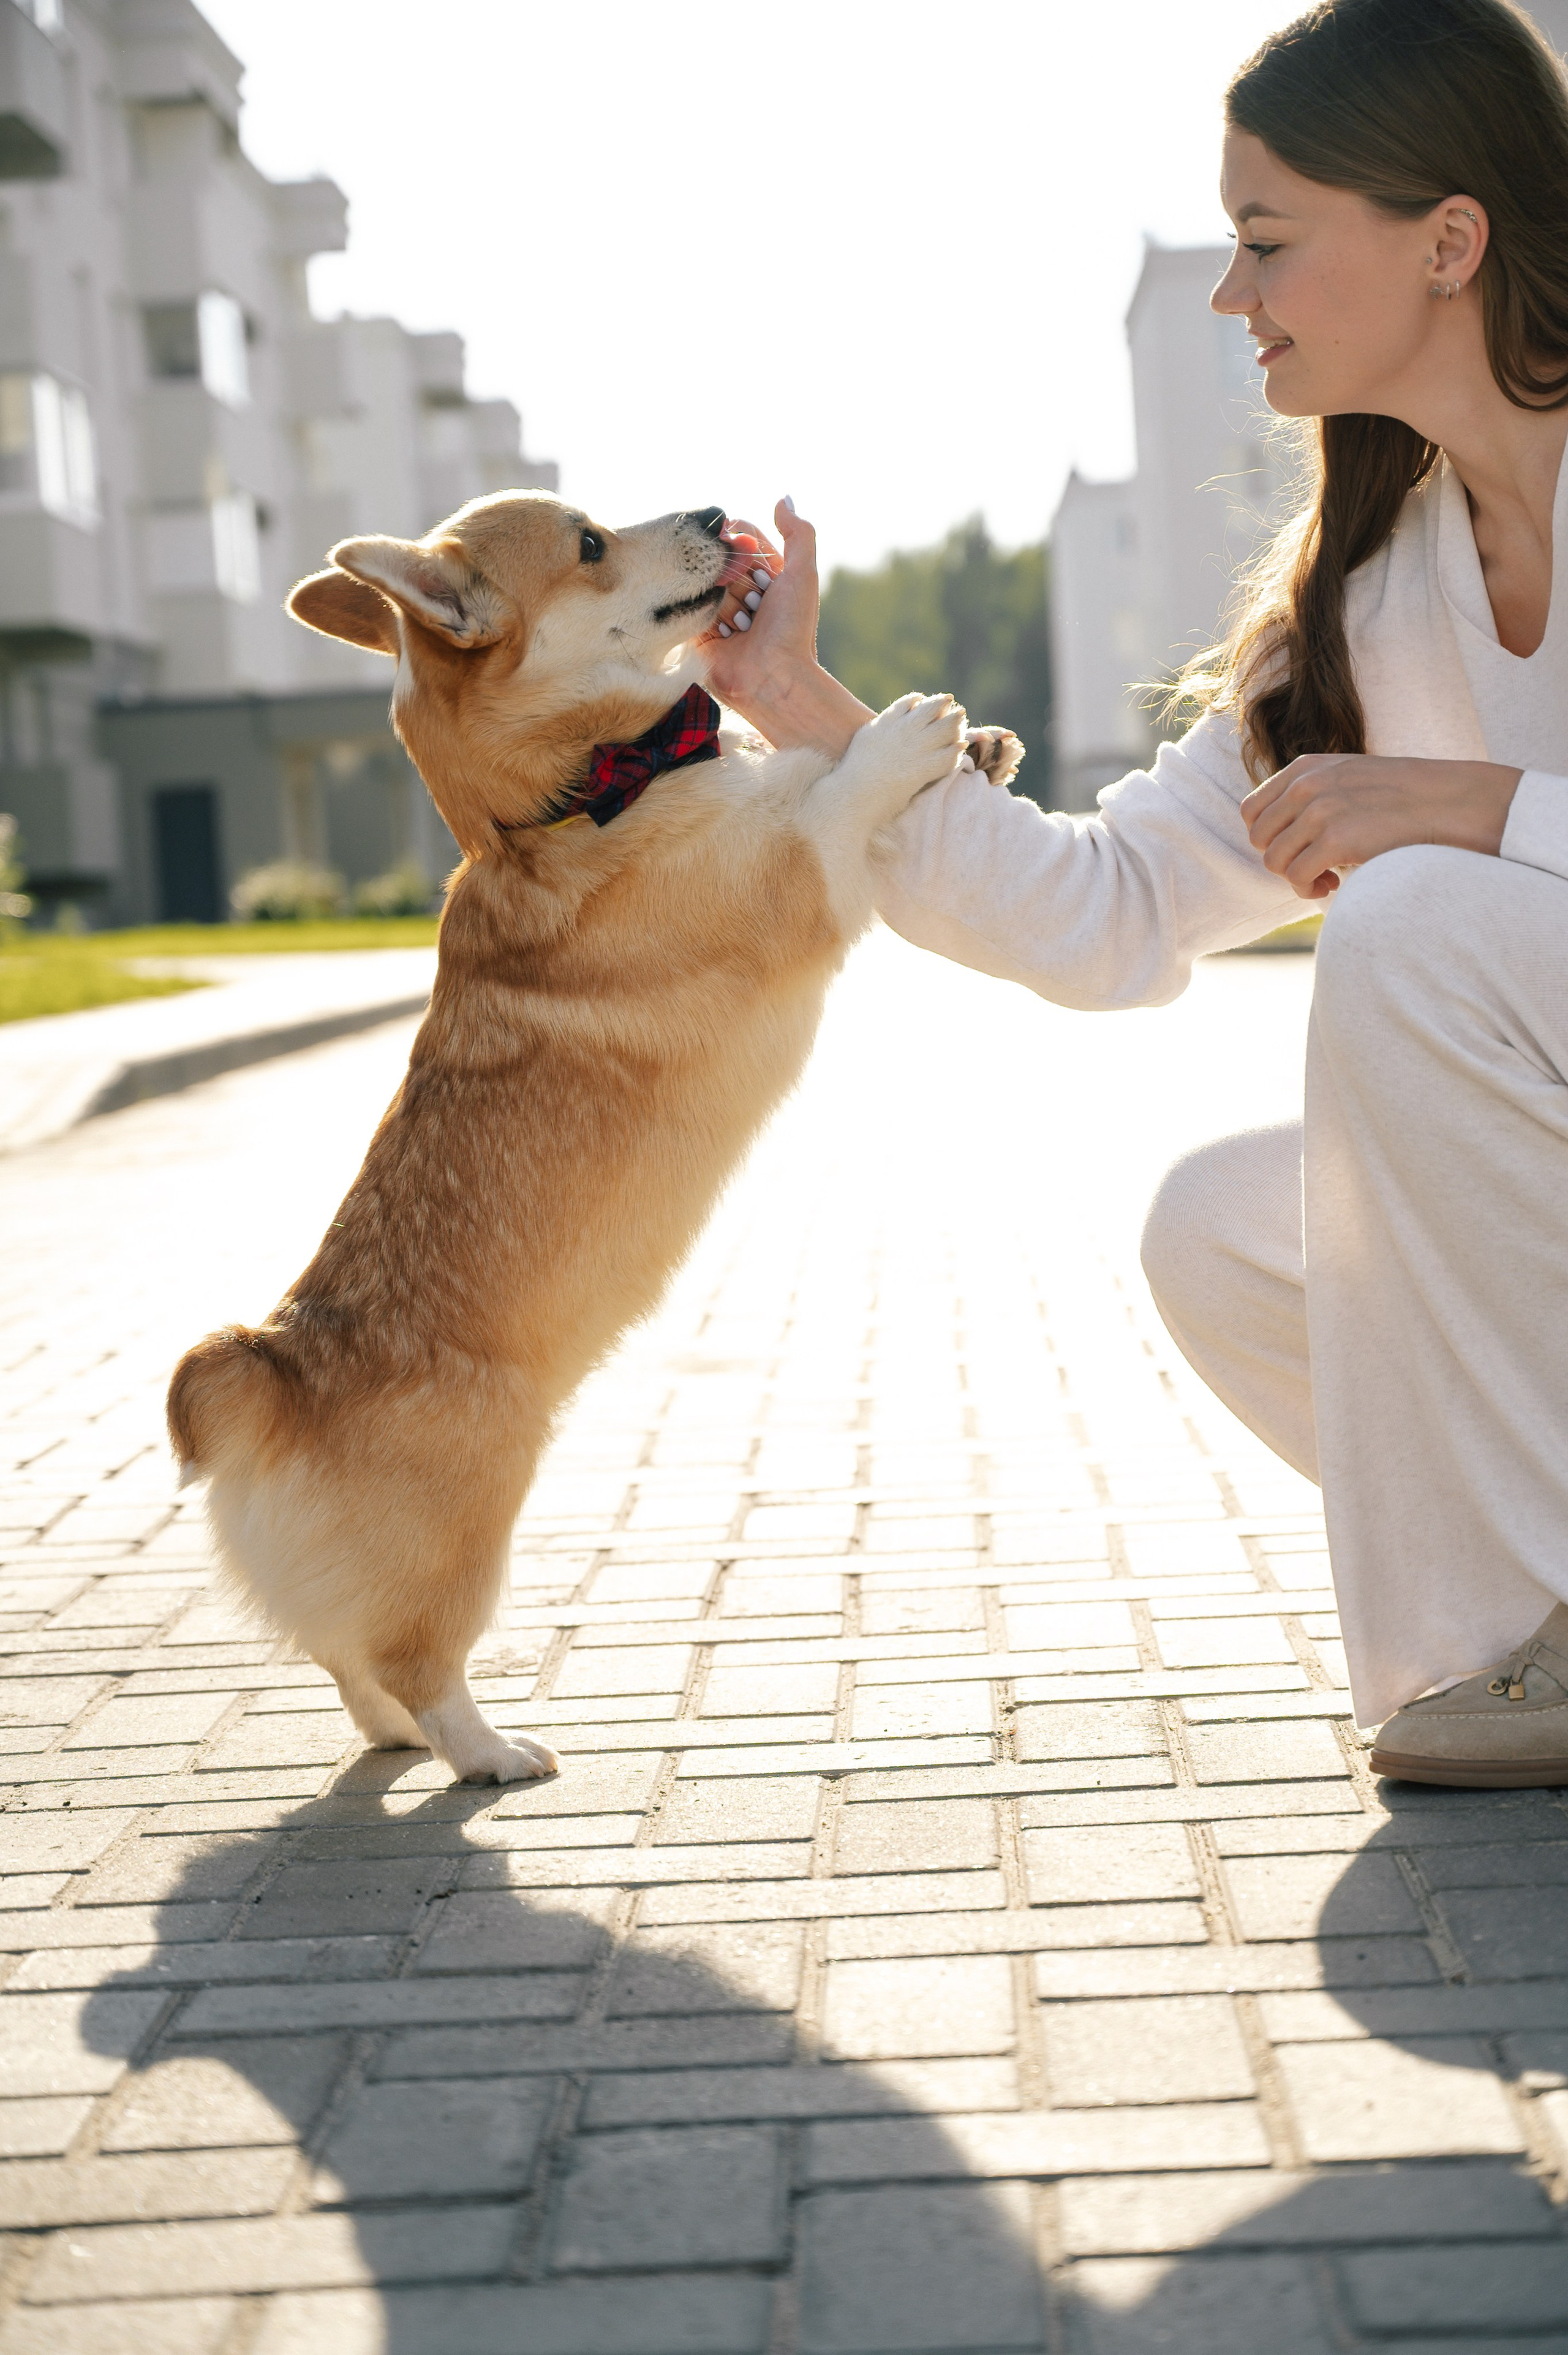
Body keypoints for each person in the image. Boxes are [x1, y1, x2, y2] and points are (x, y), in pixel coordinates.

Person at [703, 0, 1568, 1788]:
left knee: (1404, 921)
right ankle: (1533, 1626)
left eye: (1265, 245)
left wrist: (1472, 809)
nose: (1227, 298)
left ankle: (1511, 1645)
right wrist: (805, 711)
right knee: (1230, 1233)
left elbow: (1445, 867)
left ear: (1450, 241)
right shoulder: (1368, 603)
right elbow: (1100, 910)